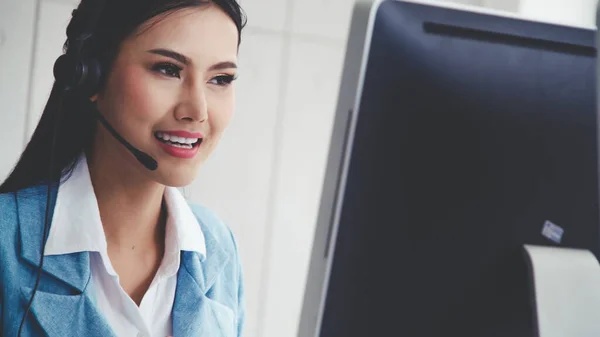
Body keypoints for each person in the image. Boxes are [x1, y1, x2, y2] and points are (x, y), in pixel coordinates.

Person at [0, 0, 246, 336]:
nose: (198, 110)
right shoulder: (5, 241)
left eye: (220, 78)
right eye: (168, 69)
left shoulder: (217, 245)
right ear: (90, 75)